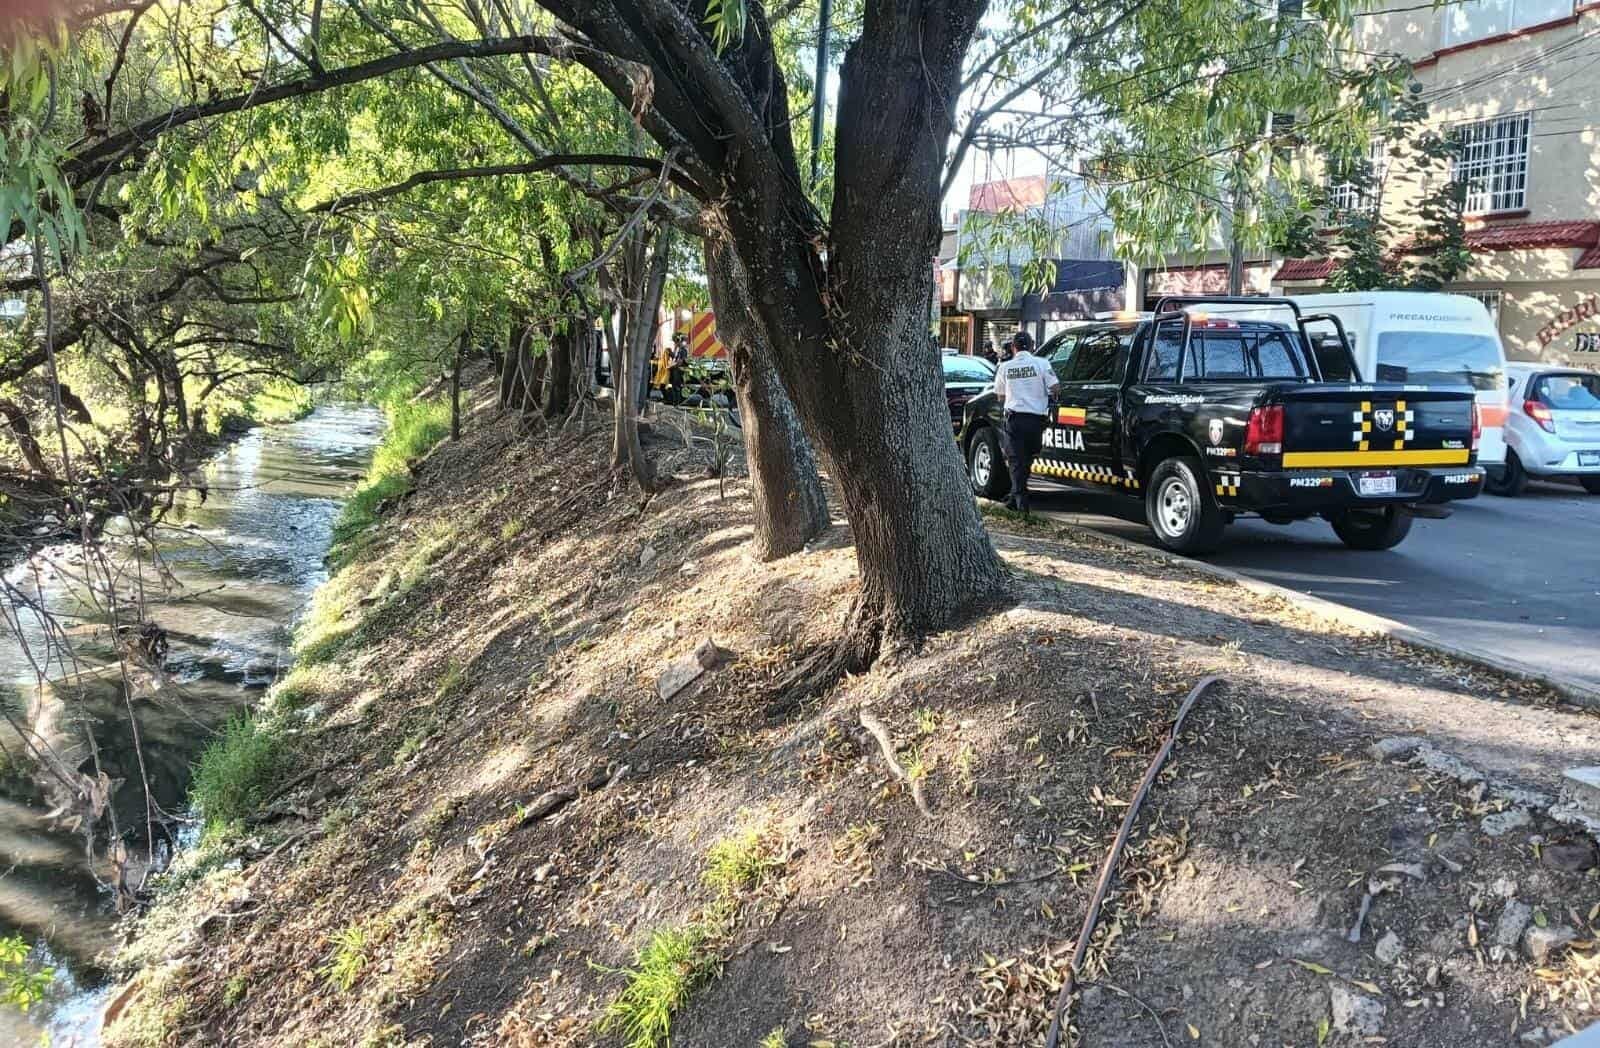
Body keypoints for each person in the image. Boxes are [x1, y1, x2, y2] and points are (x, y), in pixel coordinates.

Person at [992, 330, 1057, 515]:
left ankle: (1021, 504)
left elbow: (1000, 396)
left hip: (1014, 420)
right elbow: (1055, 387)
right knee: (1026, 459)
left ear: (1013, 347)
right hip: (1036, 421)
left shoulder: (1005, 367)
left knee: (1016, 461)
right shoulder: (1042, 363)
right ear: (1032, 346)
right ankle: (1015, 499)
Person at [666, 331, 690, 405]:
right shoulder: (678, 349)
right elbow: (675, 358)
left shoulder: (683, 350)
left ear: (679, 341)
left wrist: (671, 366)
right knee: (674, 386)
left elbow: (680, 362)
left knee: (677, 387)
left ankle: (678, 403)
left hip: (679, 372)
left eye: (675, 341)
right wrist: (671, 353)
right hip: (676, 371)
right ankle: (674, 402)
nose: (674, 343)